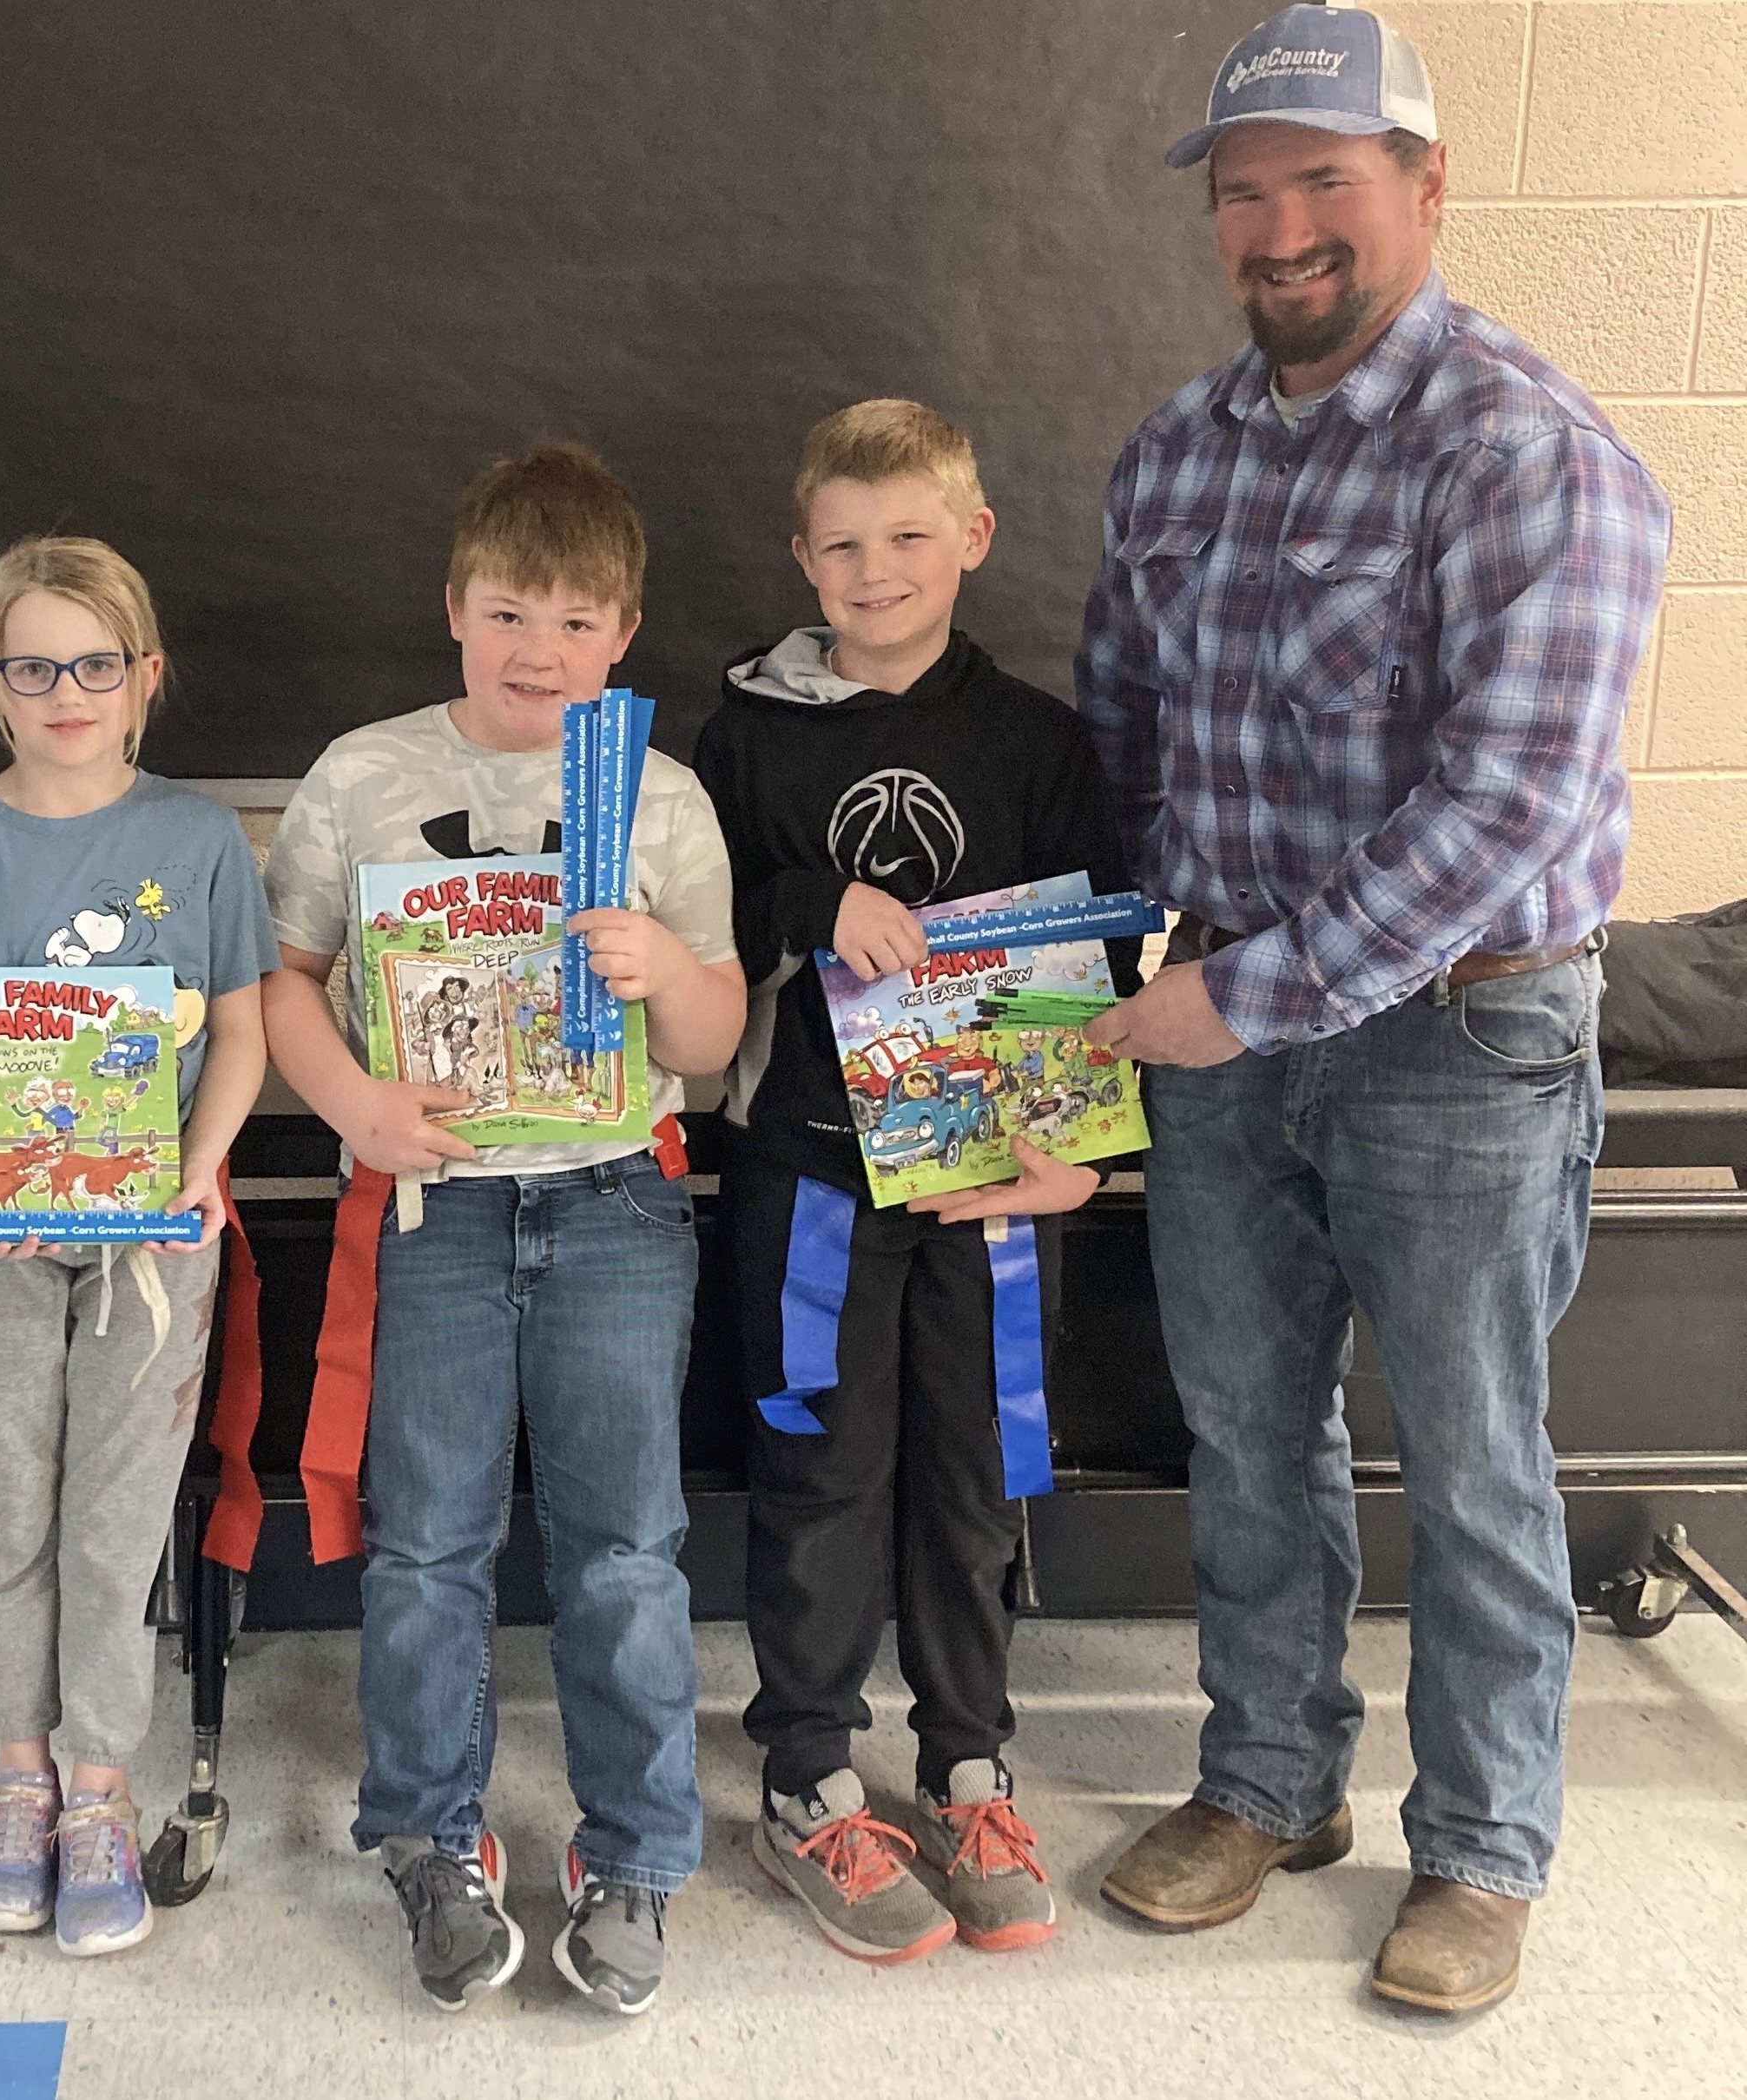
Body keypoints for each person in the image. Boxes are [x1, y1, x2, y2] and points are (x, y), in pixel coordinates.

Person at [1076, 5, 1671, 2015]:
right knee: (1250, 1427)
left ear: (1424, 185)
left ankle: (1484, 1847)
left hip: (1460, 1041)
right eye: (1246, 194)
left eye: (1324, 181)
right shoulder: (1176, 449)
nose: (1281, 229)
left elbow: (1508, 812)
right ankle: (1270, 1780)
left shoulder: (1532, 454)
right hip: (1223, 1024)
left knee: (1478, 1454)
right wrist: (1084, 964)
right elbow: (1126, 733)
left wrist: (1243, 999)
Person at [260, 444, 744, 2015]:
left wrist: (662, 968)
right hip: (435, 1207)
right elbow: (284, 980)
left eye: (577, 621)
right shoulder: (363, 774)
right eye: (509, 613)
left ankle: (638, 1855)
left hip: (617, 1204)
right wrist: (355, 1105)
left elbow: (716, 1036)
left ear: (626, 634)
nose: (540, 650)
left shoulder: (660, 796)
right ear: (453, 609)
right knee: (425, 1545)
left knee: (626, 1551)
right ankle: (428, 1835)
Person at [693, 400, 1142, 1965]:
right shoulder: (746, 734)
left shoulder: (1040, 743)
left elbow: (1100, 953)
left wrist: (1077, 1159)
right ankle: (809, 1774)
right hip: (810, 1177)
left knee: (972, 1468)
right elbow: (695, 919)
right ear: (801, 557)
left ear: (974, 539)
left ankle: (967, 1765)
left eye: (906, 537)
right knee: (817, 1468)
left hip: (993, 1182)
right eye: (842, 545)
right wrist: (809, 903)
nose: (873, 569)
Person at [0, 537, 276, 1956]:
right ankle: (20, 1778)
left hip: (155, 1240)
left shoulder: (198, 839)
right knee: (13, 1506)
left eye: (95, 665)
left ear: (145, 676)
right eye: (34, 667)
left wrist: (191, 1174)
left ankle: (102, 1787)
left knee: (117, 1524)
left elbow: (239, 1032)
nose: (67, 693)